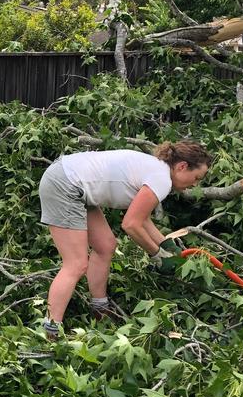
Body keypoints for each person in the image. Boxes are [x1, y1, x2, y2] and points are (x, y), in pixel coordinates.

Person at [38, 141, 213, 340]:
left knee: (106, 246)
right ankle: (51, 332)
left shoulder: (157, 170)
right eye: (196, 177)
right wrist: (158, 255)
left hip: (72, 182)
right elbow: (130, 224)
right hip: (65, 184)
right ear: (182, 166)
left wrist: (166, 245)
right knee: (76, 264)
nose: (195, 184)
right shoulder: (161, 178)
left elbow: (143, 219)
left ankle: (100, 308)